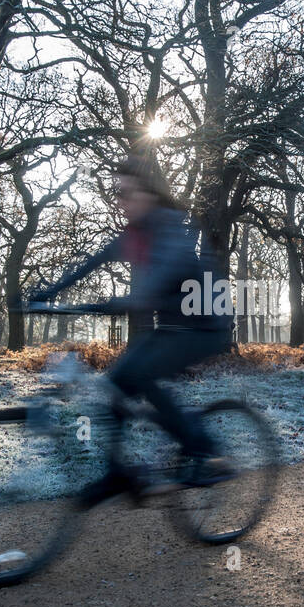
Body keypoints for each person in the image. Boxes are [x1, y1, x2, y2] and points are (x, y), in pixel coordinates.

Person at [17, 155, 234, 502]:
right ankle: (116, 472)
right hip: (172, 327)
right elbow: (90, 263)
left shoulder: (171, 227)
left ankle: (204, 451)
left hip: (204, 326)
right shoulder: (134, 235)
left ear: (149, 194)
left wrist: (126, 300)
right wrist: (50, 292)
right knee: (117, 382)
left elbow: (163, 273)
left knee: (139, 375)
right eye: (119, 193)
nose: (122, 201)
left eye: (128, 193)